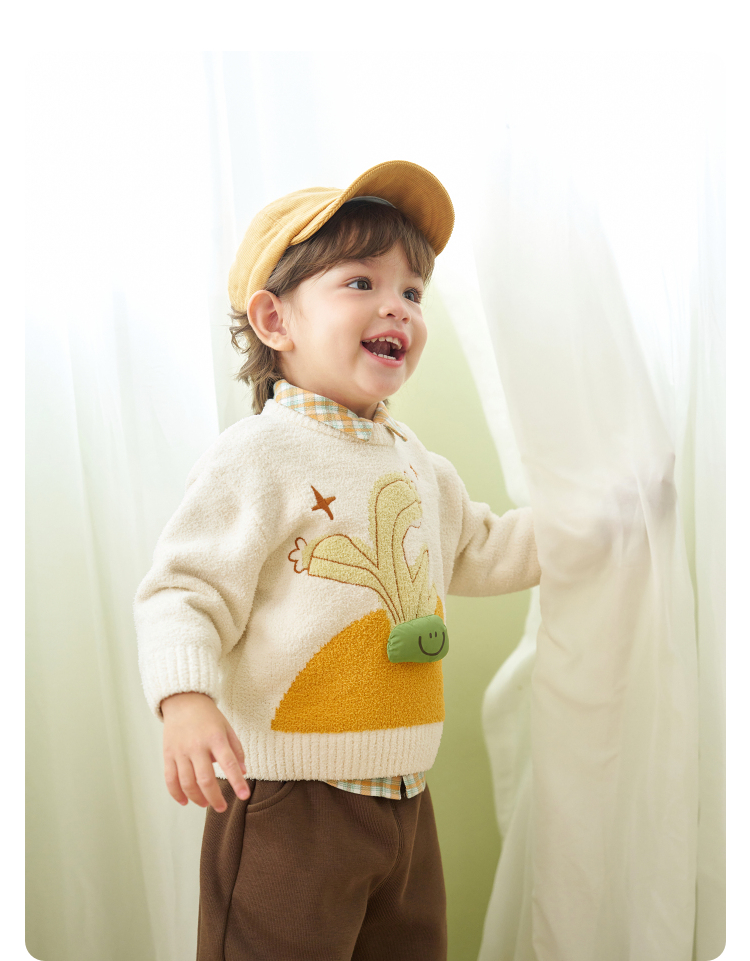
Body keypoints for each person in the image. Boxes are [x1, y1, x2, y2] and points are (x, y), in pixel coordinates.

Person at [133, 159, 541, 961]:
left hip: (406, 800)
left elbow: (482, 548)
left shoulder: (417, 461)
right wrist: (185, 698)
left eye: (413, 291)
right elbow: (183, 589)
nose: (398, 306)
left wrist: (596, 527)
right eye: (361, 282)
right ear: (274, 319)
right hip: (291, 804)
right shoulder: (259, 454)